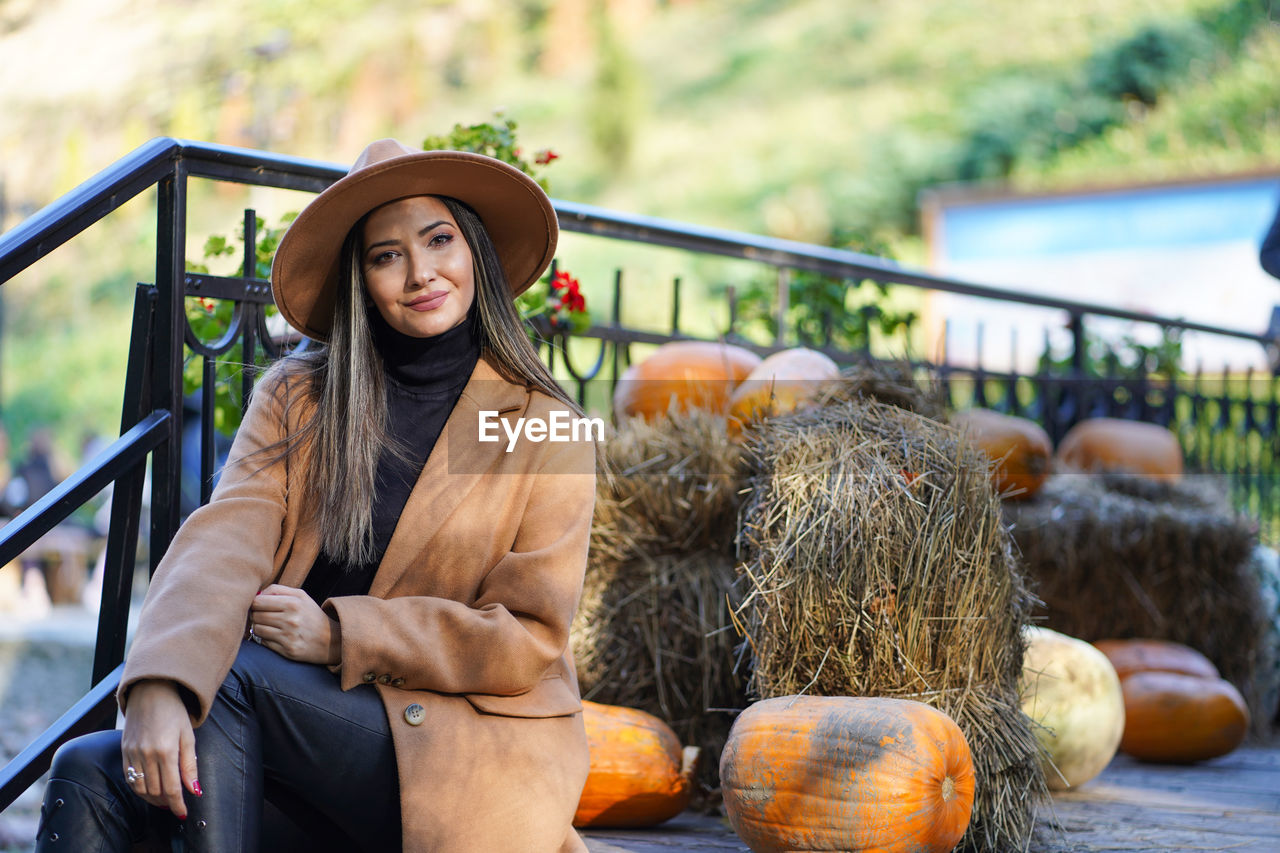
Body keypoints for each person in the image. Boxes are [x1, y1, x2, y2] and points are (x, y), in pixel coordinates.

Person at [35, 139, 597, 852]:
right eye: (386, 255)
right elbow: (228, 535)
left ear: (475, 252)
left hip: (467, 752)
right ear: (360, 280)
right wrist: (160, 681)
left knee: (237, 676)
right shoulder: (302, 397)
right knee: (86, 768)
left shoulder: (540, 425)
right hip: (292, 734)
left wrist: (341, 633)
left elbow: (525, 637)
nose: (420, 272)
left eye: (438, 239)